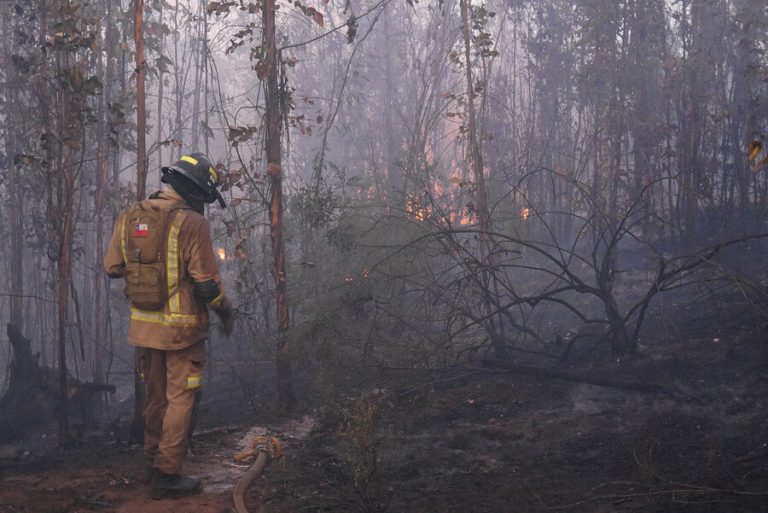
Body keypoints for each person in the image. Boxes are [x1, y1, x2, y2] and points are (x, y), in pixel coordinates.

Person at [104, 152, 234, 499]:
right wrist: (226, 312)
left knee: (155, 398)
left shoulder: (131, 215)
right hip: (183, 332)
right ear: (194, 191)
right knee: (181, 400)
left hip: (144, 331)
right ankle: (167, 473)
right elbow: (206, 284)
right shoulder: (193, 223)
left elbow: (112, 267)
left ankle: (151, 464)